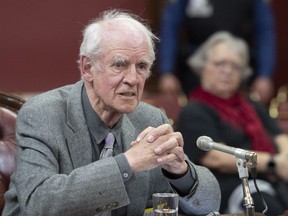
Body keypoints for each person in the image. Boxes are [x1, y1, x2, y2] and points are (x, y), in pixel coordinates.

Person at [3, 9, 221, 216]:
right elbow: (40, 203)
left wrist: (180, 172)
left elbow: (209, 204)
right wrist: (128, 163)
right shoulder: (43, 114)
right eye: (120, 65)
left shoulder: (151, 119)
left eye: (142, 67)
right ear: (87, 68)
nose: (133, 79)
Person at [177, 31, 288, 215]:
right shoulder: (194, 110)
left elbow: (280, 136)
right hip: (230, 183)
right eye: (220, 64)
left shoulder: (251, 104)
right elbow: (216, 157)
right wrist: (273, 163)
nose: (227, 71)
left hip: (273, 178)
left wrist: (285, 158)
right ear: (202, 66)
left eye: (235, 66)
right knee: (270, 207)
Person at [158, 0, 276, 104]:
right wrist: (166, 71)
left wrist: (264, 74)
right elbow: (170, 29)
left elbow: (264, 32)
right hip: (195, 68)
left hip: (238, 66)